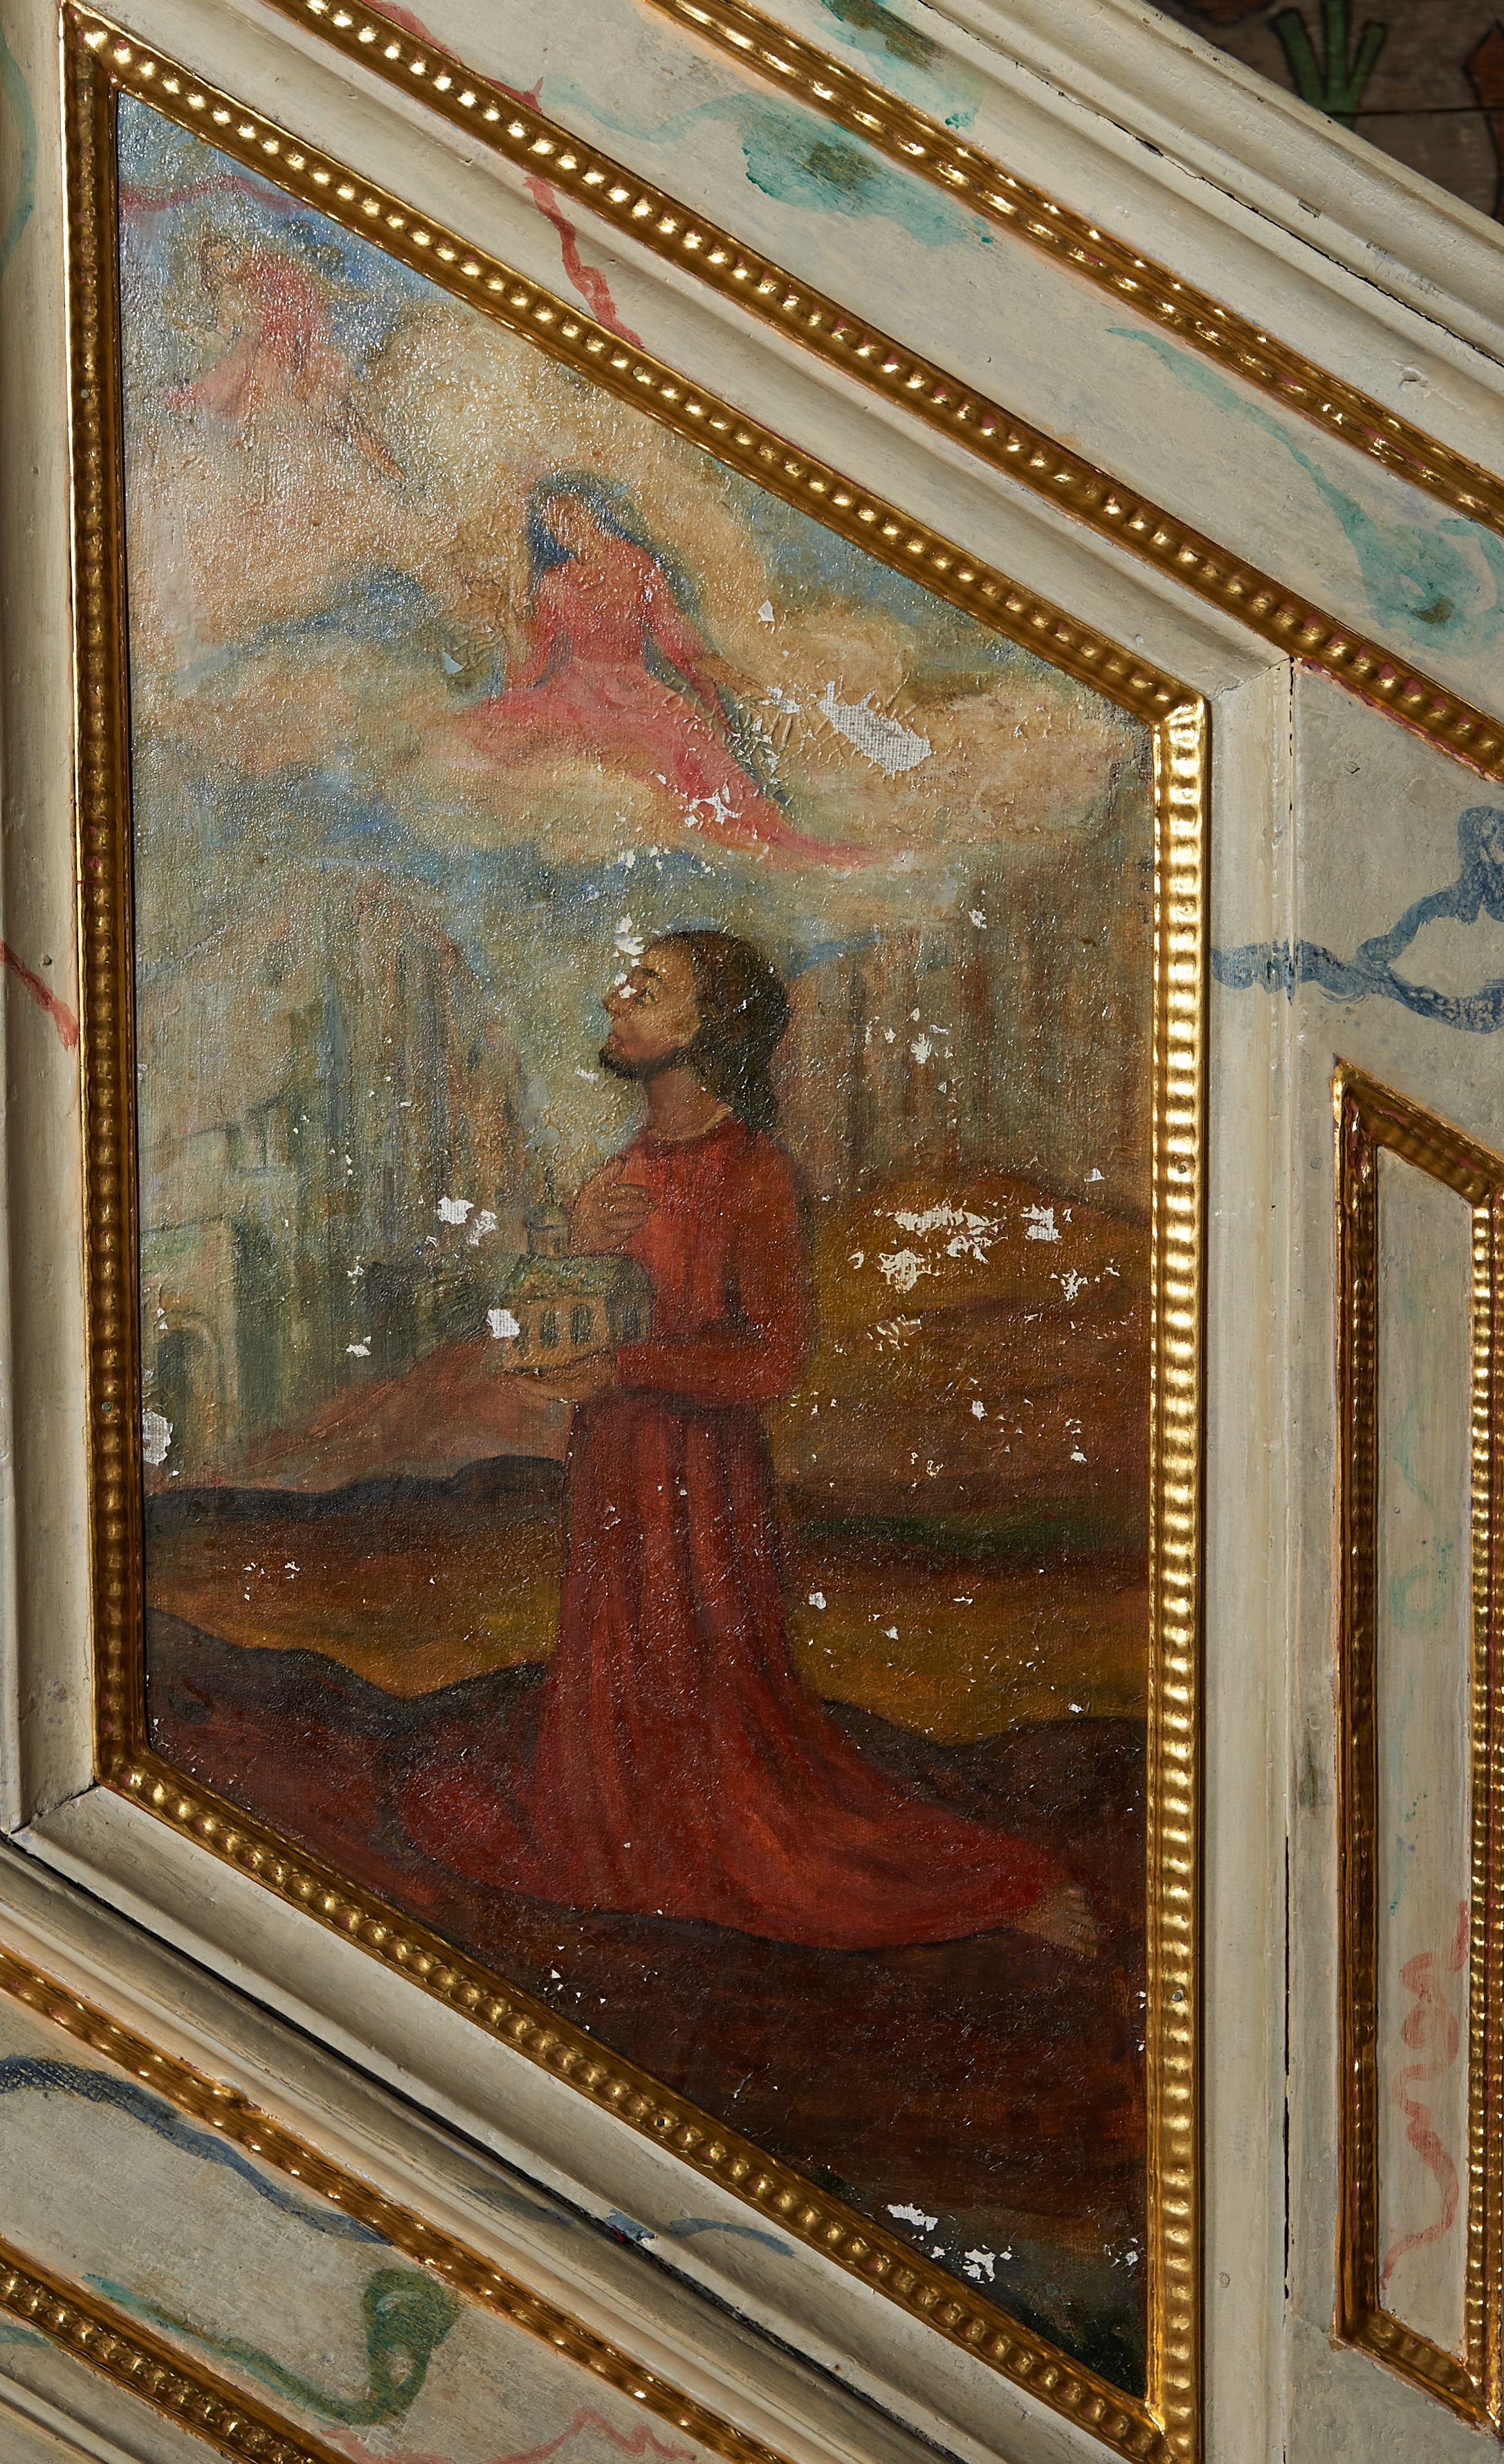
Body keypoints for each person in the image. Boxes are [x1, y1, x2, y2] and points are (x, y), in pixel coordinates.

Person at [401, 929, 1095, 1955]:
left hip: (699, 1476)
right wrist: (577, 1254)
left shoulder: (753, 1172)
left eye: (648, 986)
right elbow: (590, 1314)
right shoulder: (620, 1173)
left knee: (722, 1728)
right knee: (613, 1692)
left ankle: (954, 1888)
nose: (616, 998)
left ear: (702, 1028)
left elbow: (771, 1358)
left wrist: (622, 1369)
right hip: (615, 1467)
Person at [463, 473, 867, 864]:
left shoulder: (637, 565)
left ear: (591, 510)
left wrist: (736, 679)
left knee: (691, 753)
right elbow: (529, 670)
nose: (565, 530)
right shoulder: (554, 582)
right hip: (574, 695)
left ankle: (766, 843)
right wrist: (505, 619)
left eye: (570, 515)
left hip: (635, 692)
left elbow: (679, 643)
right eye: (554, 526)